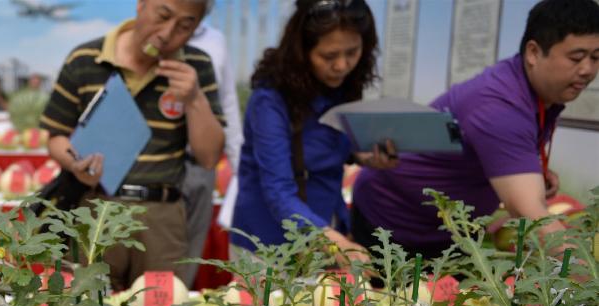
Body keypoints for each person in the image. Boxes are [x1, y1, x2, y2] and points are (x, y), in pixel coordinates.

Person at [352, 0, 599, 258]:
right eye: (576, 57)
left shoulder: (532, 90)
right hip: (395, 224)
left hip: (451, 228)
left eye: (596, 57)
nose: (588, 70)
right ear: (534, 53)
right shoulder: (499, 107)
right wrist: (589, 274)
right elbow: (531, 216)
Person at [40, 0, 225, 290]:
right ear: (141, 5)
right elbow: (56, 136)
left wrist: (194, 98)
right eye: (162, 15)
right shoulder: (85, 58)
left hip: (162, 216)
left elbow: (209, 156)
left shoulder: (196, 65)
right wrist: (75, 163)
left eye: (185, 26)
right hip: (95, 208)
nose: (167, 33)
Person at [230, 0, 395, 261]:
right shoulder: (270, 99)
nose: (342, 65)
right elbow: (278, 191)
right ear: (301, 51)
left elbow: (330, 148)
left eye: (352, 52)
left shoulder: (343, 86)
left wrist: (365, 158)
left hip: (326, 227)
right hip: (269, 244)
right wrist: (335, 243)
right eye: (329, 56)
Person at [181, 21, 243, 287]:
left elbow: (227, 102)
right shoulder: (142, 35)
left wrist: (241, 170)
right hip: (149, 169)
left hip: (200, 163)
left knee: (188, 258)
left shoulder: (214, 40)